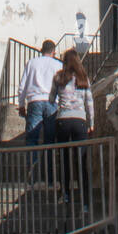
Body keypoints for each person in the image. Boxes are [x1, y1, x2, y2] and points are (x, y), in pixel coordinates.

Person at [49, 50, 94, 207]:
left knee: (64, 158)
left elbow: (51, 99)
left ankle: (66, 194)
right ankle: (85, 202)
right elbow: (89, 103)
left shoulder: (59, 77)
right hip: (80, 121)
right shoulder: (83, 78)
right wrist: (91, 123)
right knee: (81, 160)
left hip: (63, 120)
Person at [17, 40, 59, 178]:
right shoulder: (58, 65)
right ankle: (50, 174)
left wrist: (22, 105)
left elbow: (22, 87)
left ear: (41, 50)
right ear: (53, 51)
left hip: (34, 101)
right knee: (50, 139)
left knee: (32, 138)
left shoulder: (32, 63)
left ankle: (32, 174)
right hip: (52, 103)